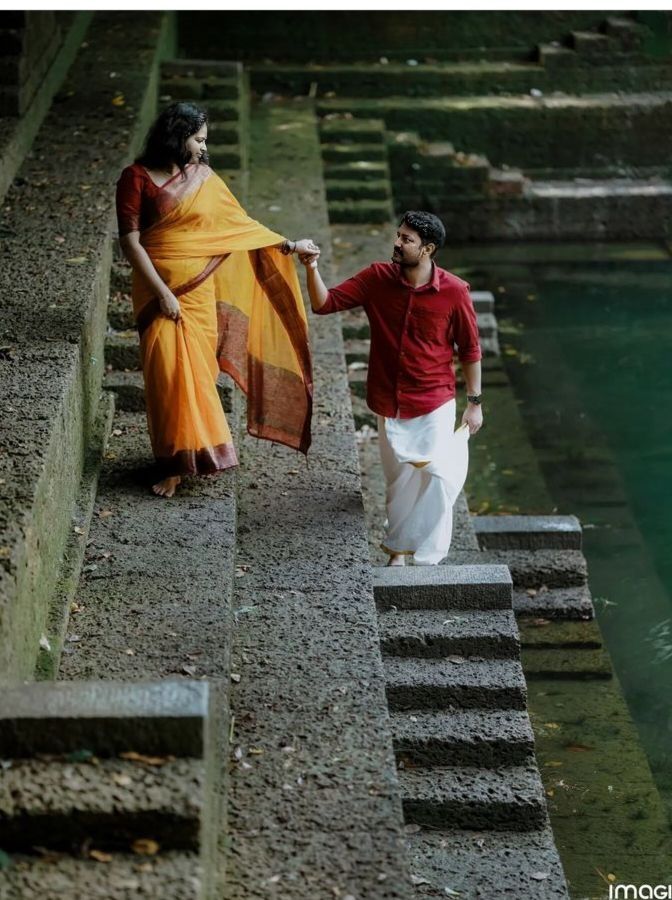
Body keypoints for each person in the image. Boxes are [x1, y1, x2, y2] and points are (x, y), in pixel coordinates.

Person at [115, 101, 316, 497]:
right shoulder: (135, 178)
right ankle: (172, 462)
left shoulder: (201, 177)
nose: (203, 147)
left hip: (199, 296)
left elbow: (238, 227)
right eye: (198, 139)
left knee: (197, 375)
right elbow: (130, 242)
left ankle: (190, 455)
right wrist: (164, 292)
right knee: (167, 376)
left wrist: (289, 245)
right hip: (160, 296)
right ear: (177, 137)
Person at [300, 211, 482, 566]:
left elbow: (471, 349)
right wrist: (312, 268)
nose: (397, 243)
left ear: (427, 249)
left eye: (406, 239)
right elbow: (325, 304)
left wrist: (474, 402)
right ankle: (398, 551)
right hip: (389, 401)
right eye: (398, 235)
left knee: (437, 474)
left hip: (435, 400)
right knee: (399, 483)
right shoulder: (377, 278)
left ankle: (420, 547)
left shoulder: (455, 292)